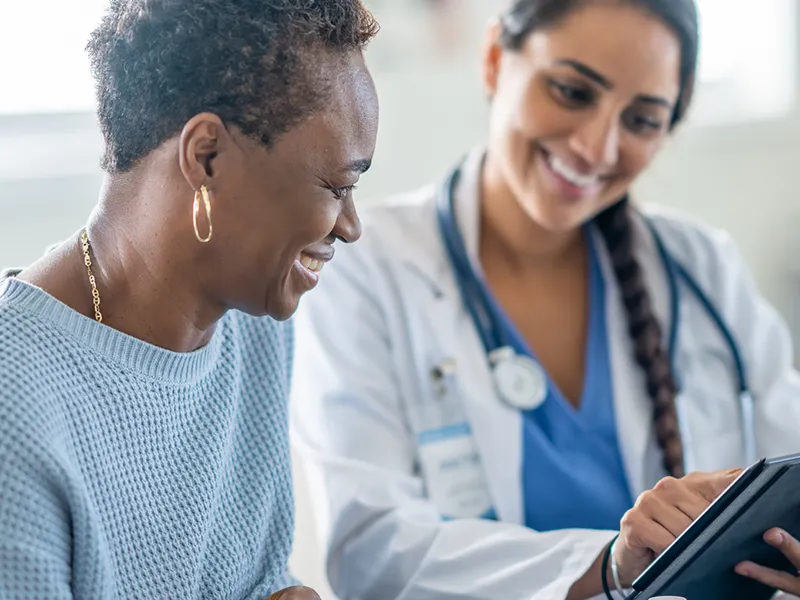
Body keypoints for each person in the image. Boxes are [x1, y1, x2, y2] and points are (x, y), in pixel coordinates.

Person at [290, 0, 800, 598]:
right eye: (572, 92)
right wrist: (610, 566)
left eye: (641, 120)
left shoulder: (701, 269)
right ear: (493, 59)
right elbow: (375, 554)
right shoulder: (366, 272)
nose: (596, 146)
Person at [0, 0, 378, 598]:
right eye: (337, 186)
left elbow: (254, 582)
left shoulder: (255, 321)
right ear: (206, 156)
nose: (350, 225)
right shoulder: (16, 399)